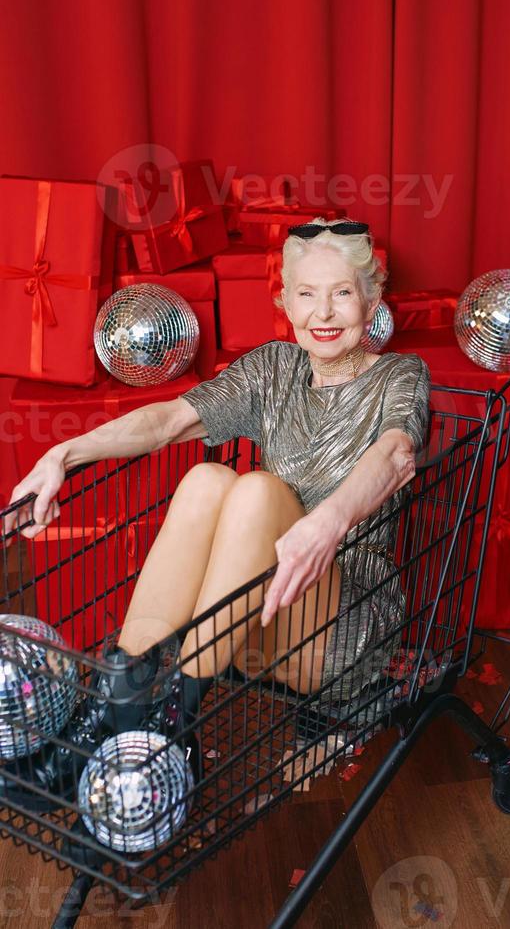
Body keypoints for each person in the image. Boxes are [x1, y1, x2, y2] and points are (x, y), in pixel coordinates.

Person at [4, 217, 432, 806]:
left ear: (370, 299)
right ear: (285, 301)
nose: (324, 313)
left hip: (337, 626)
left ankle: (166, 721)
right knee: (207, 477)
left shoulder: (400, 377)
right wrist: (63, 453)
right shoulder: (273, 369)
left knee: (256, 490)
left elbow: (396, 452)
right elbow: (167, 421)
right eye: (307, 294)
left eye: (342, 293)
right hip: (247, 623)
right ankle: (123, 704)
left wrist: (327, 524)